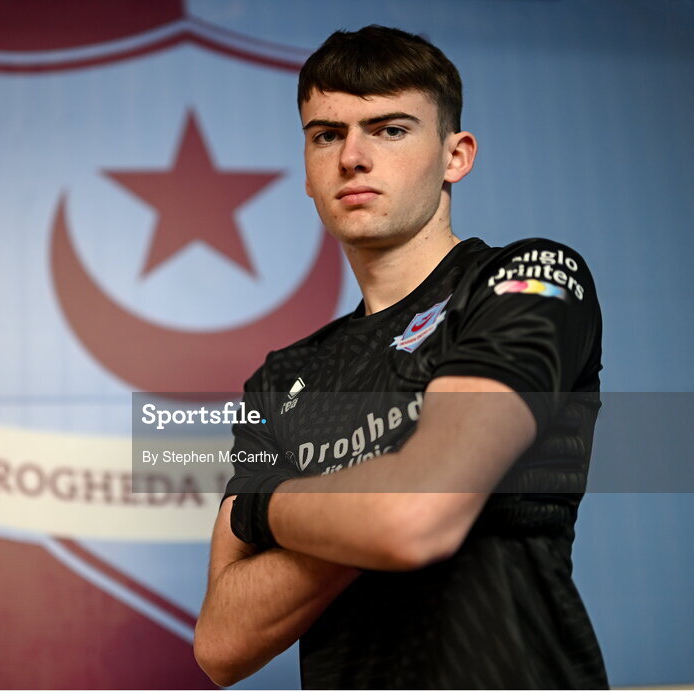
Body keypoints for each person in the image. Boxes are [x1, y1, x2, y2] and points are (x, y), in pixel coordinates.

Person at [193, 25, 608, 689]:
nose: (352, 156)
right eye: (326, 134)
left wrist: (262, 506)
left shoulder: (529, 277)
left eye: (389, 129)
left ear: (455, 156)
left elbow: (416, 520)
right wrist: (390, 485)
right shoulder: (282, 377)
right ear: (306, 167)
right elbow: (221, 642)